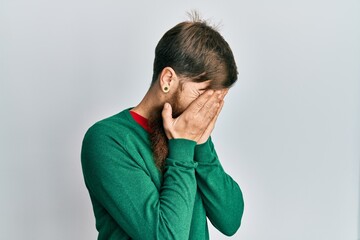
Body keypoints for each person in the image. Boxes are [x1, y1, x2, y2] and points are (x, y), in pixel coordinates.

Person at [81, 13, 244, 240]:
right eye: (202, 94)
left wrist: (202, 143)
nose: (207, 109)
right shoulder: (107, 139)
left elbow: (230, 220)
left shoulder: (187, 132)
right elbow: (166, 236)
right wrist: (184, 145)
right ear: (168, 79)